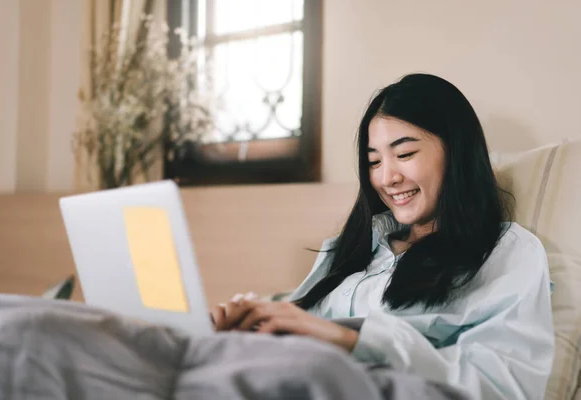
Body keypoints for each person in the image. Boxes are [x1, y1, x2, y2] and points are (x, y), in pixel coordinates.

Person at [210, 73, 555, 399]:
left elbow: (502, 387)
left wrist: (350, 340)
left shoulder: (505, 252)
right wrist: (251, 328)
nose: (387, 178)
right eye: (374, 162)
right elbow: (295, 324)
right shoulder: (349, 251)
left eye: (404, 154)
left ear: (457, 152)